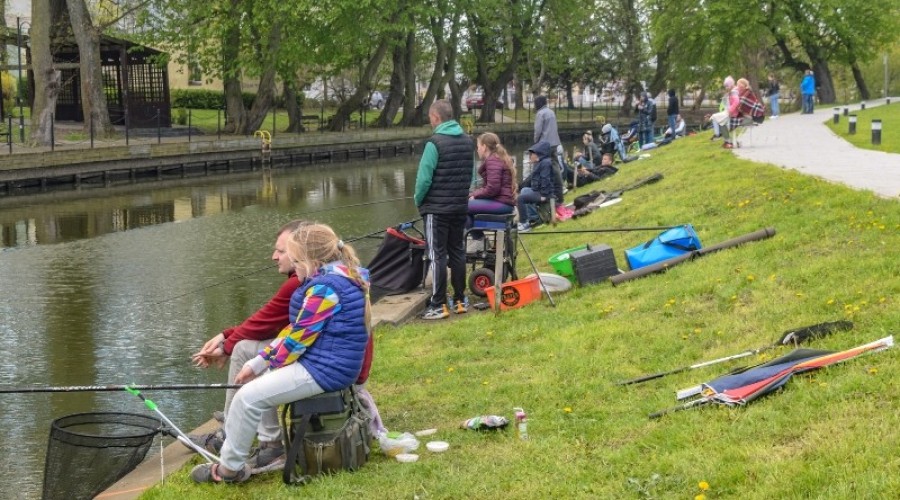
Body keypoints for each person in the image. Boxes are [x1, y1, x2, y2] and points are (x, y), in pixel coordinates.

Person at [189, 221, 384, 470]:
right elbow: (295, 331)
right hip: (325, 363)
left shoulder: (325, 289)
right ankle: (249, 448)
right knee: (253, 390)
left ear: (311, 261)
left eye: (296, 261)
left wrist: (261, 366)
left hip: (326, 371)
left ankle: (228, 470)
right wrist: (258, 363)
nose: (294, 268)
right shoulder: (339, 275)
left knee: (247, 398)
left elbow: (295, 341)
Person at [188, 220, 307, 464]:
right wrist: (226, 337)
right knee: (247, 347)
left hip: (318, 364)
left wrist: (226, 346)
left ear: (301, 252)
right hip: (323, 357)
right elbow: (270, 319)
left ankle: (243, 438)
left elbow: (267, 321)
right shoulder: (305, 279)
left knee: (247, 351)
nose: (274, 256)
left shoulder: (299, 283)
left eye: (281, 251)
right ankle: (236, 428)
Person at [415, 99, 473, 320]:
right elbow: (472, 176)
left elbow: (423, 180)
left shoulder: (434, 143)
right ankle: (460, 299)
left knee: (436, 254)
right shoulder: (468, 142)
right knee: (457, 251)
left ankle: (438, 303)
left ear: (436, 117)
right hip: (459, 206)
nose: (430, 121)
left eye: (430, 117)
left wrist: (419, 201)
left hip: (436, 209)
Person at [467, 132, 517, 250]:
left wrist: (474, 196)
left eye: (478, 146)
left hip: (502, 204)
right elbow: (491, 188)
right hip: (503, 202)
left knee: (462, 207)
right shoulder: (497, 158)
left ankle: (479, 241)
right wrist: (473, 194)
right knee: (465, 205)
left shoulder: (492, 161)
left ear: (484, 147)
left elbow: (493, 189)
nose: (477, 149)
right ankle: (479, 240)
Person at [517, 141, 561, 233]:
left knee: (520, 199)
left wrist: (543, 196)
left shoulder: (545, 164)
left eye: (531, 154)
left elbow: (546, 180)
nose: (530, 156)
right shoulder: (539, 163)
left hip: (544, 194)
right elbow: (531, 180)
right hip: (538, 191)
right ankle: (532, 217)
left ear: (538, 155)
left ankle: (525, 222)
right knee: (525, 190)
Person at [533, 95, 566, 192]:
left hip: (544, 145)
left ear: (538, 104)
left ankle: (538, 189)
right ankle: (561, 187)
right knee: (555, 165)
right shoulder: (551, 112)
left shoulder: (540, 114)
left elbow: (538, 130)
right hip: (554, 142)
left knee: (539, 165)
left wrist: (535, 142)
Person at [723, 78, 765, 149]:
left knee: (729, 122)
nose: (739, 88)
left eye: (740, 86)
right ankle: (732, 142)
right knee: (727, 122)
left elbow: (743, 104)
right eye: (738, 86)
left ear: (745, 86)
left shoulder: (747, 93)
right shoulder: (740, 93)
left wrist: (734, 110)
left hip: (751, 118)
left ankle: (732, 142)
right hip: (745, 116)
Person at [706, 76, 737, 141]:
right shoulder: (731, 92)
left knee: (715, 117)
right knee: (717, 118)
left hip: (731, 114)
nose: (726, 88)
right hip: (729, 113)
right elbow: (727, 104)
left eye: (727, 86)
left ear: (731, 85)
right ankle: (724, 137)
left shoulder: (733, 92)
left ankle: (718, 135)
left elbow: (736, 102)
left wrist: (729, 110)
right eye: (725, 86)